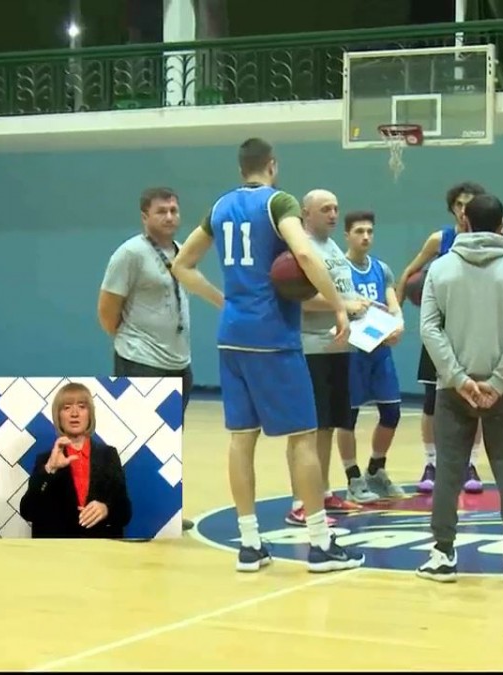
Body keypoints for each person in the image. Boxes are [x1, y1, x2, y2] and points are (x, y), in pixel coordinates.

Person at [170, 137, 364, 573]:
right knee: (303, 437)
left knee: (241, 439)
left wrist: (222, 300)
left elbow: (181, 265)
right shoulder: (279, 203)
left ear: (242, 168)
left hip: (232, 335)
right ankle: (319, 543)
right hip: (273, 335)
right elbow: (303, 252)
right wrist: (338, 305)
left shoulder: (220, 207)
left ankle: (250, 544)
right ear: (272, 165)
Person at [417, 194, 503, 584]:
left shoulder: (441, 268)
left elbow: (429, 329)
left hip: (452, 390)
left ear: (464, 223)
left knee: (447, 472)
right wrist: (499, 382)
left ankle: (442, 554)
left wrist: (458, 379)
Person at [98, 187, 211, 531]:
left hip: (179, 363)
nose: (170, 217)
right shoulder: (130, 254)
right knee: (138, 443)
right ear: (145, 216)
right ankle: (129, 516)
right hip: (141, 361)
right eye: (161, 211)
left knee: (167, 444)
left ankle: (163, 512)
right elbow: (107, 311)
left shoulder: (182, 252)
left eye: (174, 210)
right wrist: (131, 344)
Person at [396, 181, 498, 495]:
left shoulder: (491, 241)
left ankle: (470, 464)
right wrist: (393, 314)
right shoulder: (440, 239)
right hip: (440, 333)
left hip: (474, 332)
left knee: (476, 400)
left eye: (470, 204)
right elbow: (409, 274)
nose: (464, 210)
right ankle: (431, 463)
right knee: (431, 402)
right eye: (459, 204)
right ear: (452, 208)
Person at [285, 189, 377, 526]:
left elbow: (343, 292)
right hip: (312, 348)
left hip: (339, 347)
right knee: (307, 429)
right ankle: (300, 501)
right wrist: (346, 305)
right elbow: (301, 299)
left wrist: (366, 309)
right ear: (306, 213)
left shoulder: (333, 246)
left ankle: (321, 493)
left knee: (326, 427)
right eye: (325, 209)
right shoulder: (300, 249)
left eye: (336, 208)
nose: (333, 214)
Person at [335, 210, 406, 500]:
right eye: (359, 231)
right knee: (347, 418)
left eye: (369, 231)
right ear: (347, 235)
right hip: (351, 351)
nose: (365, 237)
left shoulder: (381, 269)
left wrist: (398, 326)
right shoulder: (338, 269)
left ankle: (376, 470)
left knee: (392, 413)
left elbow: (393, 305)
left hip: (379, 352)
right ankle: (353, 478)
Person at [19, 382, 132, 539]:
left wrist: (106, 510)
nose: (74, 413)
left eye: (82, 406)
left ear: (90, 414)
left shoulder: (108, 455)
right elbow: (28, 511)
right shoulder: (46, 460)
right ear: (58, 416)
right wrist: (50, 469)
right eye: (67, 408)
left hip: (100, 546)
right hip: (60, 549)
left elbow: (125, 512)